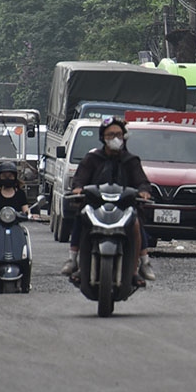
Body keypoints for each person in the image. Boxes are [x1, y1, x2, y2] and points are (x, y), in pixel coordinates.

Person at [60, 117, 156, 284]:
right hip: (96, 205)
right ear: (102, 137)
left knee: (136, 223)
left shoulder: (131, 161)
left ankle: (141, 264)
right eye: (110, 135)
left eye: (118, 134)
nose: (115, 138)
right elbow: (80, 179)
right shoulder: (92, 159)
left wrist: (143, 192)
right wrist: (78, 188)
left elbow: (142, 182)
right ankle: (74, 259)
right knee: (82, 218)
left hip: (124, 207)